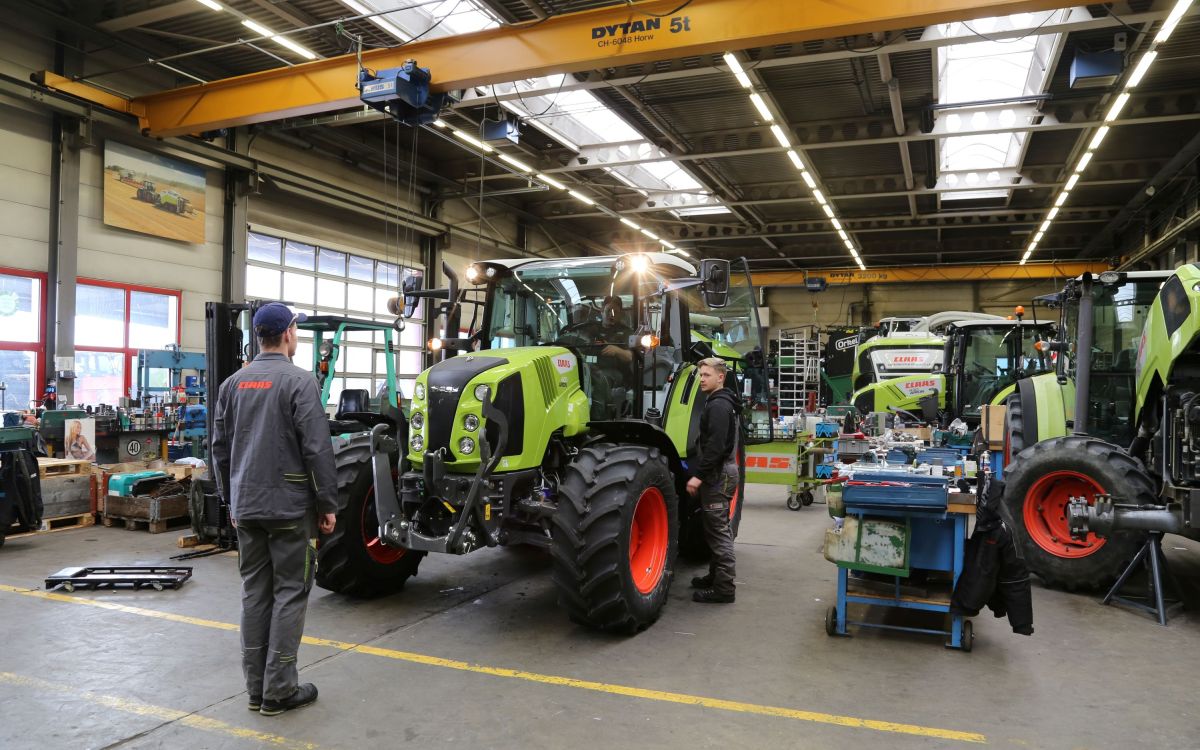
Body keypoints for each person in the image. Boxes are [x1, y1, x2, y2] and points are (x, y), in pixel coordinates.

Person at [211, 302, 338, 717]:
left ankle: (255, 689)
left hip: (246, 507)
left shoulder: (232, 384)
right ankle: (279, 690)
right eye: (297, 330)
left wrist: (231, 501)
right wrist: (328, 504)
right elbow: (317, 448)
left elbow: (220, 450)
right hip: (289, 510)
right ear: (287, 333)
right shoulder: (300, 383)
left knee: (254, 593)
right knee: (290, 593)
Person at [685, 357, 740, 604]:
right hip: (722, 472)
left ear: (721, 377)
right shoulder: (719, 402)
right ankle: (715, 576)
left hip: (719, 475)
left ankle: (725, 589)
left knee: (718, 533)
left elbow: (715, 448)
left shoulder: (718, 406)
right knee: (717, 529)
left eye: (707, 375)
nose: (702, 379)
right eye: (700, 375)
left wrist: (698, 476)